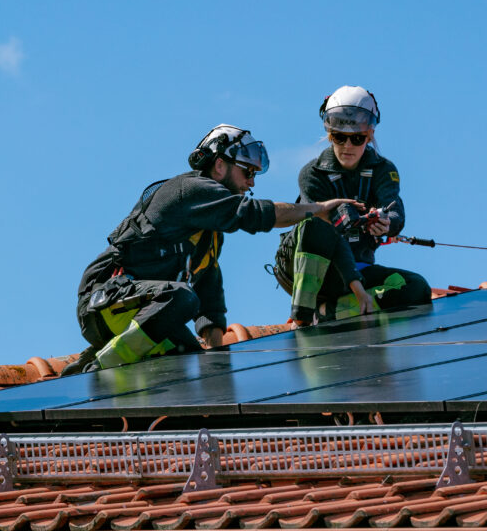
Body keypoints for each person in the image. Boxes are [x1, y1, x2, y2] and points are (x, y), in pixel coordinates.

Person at [69, 125, 363, 374]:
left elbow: (209, 292)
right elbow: (254, 214)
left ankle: (96, 374)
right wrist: (317, 209)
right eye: (247, 171)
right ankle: (99, 371)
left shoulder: (208, 235)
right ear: (219, 165)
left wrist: (217, 363)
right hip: (105, 302)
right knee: (182, 297)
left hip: (147, 310)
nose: (251, 182)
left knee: (188, 359)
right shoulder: (189, 190)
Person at [273, 86, 432, 325]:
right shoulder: (312, 173)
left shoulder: (383, 169)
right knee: (319, 222)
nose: (348, 146)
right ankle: (303, 313)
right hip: (312, 269)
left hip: (357, 269)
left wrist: (387, 224)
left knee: (417, 288)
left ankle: (329, 312)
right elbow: (325, 223)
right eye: (339, 137)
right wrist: (346, 217)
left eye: (357, 138)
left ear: (369, 135)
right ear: (329, 134)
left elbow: (394, 209)